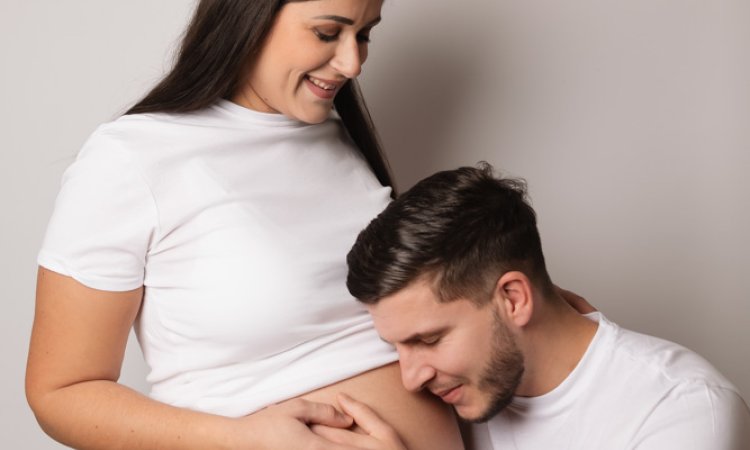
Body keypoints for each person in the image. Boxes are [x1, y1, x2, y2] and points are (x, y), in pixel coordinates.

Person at [25, 1, 465, 449]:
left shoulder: (333, 135)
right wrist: (239, 440)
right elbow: (60, 394)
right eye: (328, 33)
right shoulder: (130, 158)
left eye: (365, 35)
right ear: (247, 16)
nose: (352, 63)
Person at [346, 163, 750, 449]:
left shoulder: (683, 408)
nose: (411, 379)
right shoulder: (449, 402)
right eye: (395, 346)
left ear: (513, 299)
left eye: (429, 339)